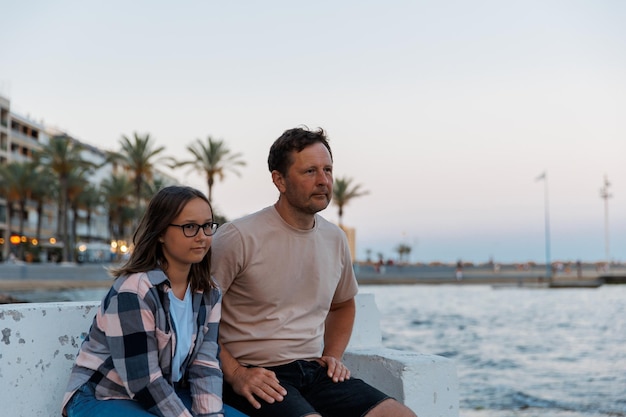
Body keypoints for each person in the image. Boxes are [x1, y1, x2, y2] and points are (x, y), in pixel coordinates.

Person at [211, 127, 417, 417]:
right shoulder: (238, 236)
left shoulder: (334, 239)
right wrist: (235, 373)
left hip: (313, 371)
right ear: (279, 180)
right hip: (254, 375)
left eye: (328, 170)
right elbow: (194, 316)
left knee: (400, 415)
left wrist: (332, 355)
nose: (323, 181)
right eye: (310, 171)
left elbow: (343, 304)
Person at [61, 185, 248, 417]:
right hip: (103, 395)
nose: (202, 236)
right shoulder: (134, 291)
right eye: (190, 227)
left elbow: (204, 365)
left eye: (208, 226)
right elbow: (142, 378)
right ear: (160, 232)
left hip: (166, 392)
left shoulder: (209, 292)